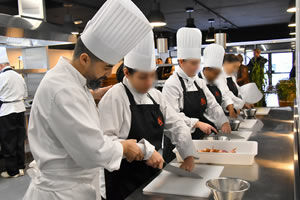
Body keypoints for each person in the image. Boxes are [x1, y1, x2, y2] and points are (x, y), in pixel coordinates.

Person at [23, 0, 153, 199]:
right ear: (84, 59)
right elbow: (93, 151)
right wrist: (124, 147)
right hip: (62, 193)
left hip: (77, 187)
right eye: (106, 67)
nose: (109, 73)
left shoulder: (71, 82)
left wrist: (92, 95)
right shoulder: (63, 89)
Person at [98, 31, 196, 200]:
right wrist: (146, 151)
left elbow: (177, 125)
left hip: (150, 176)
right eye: (143, 77)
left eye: (152, 75)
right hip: (122, 181)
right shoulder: (114, 98)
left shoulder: (155, 96)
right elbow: (104, 144)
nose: (149, 82)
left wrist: (187, 154)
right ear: (127, 73)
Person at [162, 28, 230, 162]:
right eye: (193, 63)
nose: (197, 67)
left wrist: (223, 121)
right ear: (181, 61)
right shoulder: (172, 84)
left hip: (197, 139)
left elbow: (213, 105)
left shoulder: (199, 82)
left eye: (198, 62)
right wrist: (197, 123)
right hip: (177, 144)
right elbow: (172, 116)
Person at [0, 47, 27, 178]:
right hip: (20, 110)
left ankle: (12, 171)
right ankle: (21, 167)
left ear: (1, 65)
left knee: (8, 141)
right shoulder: (19, 76)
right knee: (19, 139)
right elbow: (25, 94)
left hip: (7, 112)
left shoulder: (2, 77)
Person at [198, 44, 237, 119]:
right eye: (215, 73)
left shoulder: (214, 80)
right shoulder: (196, 82)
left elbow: (224, 96)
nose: (217, 76)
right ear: (207, 69)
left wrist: (231, 110)